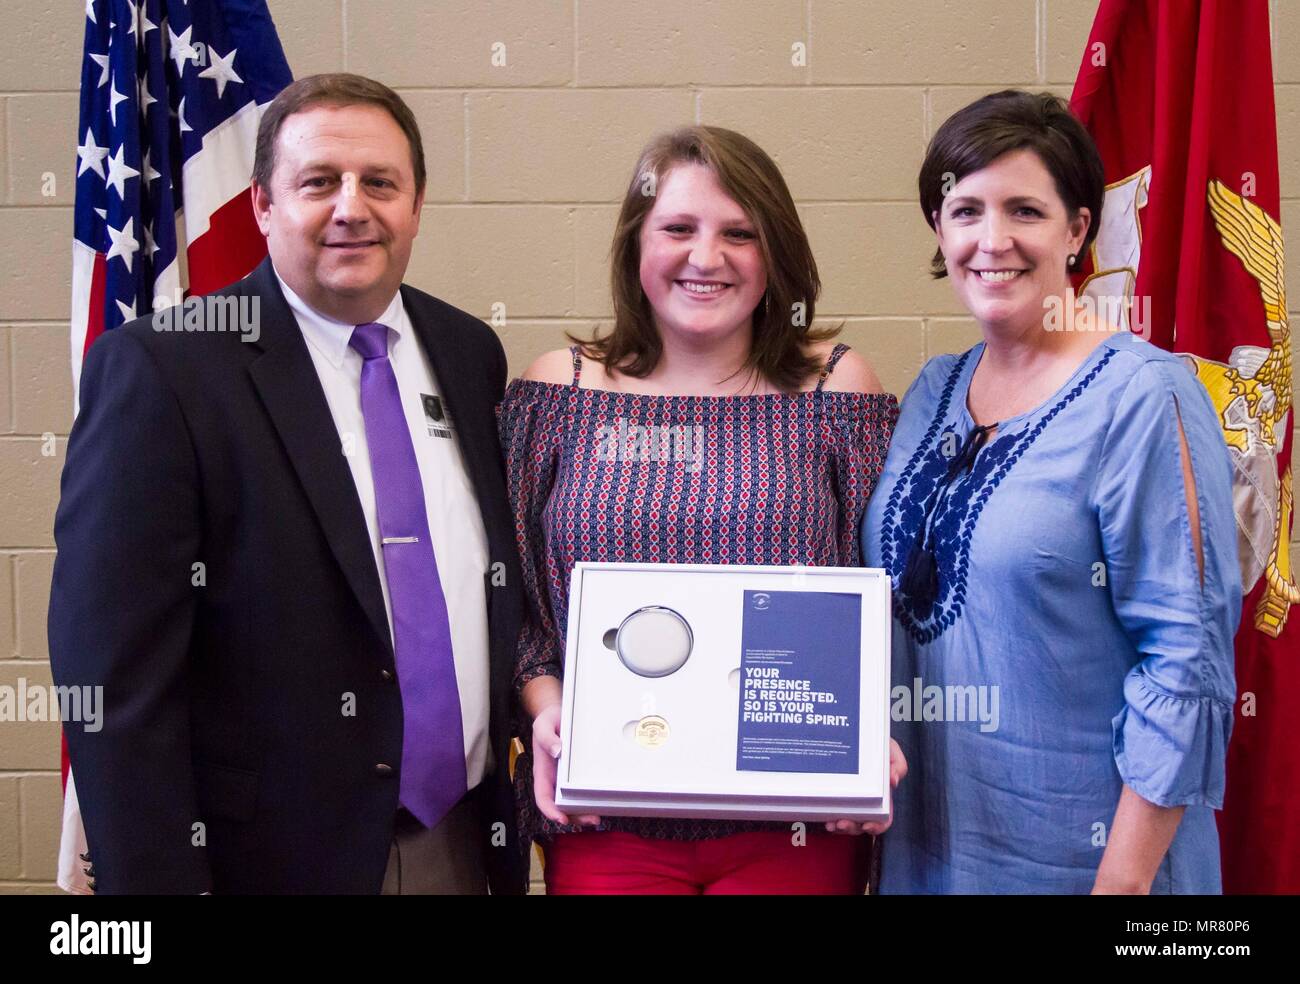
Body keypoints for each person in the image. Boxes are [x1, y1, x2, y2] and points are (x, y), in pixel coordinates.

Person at [48, 73, 527, 895]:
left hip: (462, 844)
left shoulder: (468, 351)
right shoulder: (165, 370)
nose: (352, 207)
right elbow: (113, 682)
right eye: (318, 182)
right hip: (261, 862)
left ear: (416, 205)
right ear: (264, 206)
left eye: (381, 182)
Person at [498, 125, 907, 895]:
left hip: (793, 822)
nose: (706, 257)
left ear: (775, 252)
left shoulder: (838, 393)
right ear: (635, 246)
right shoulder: (560, 390)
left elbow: (882, 589)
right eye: (678, 228)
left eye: (739, 234)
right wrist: (546, 706)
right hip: (607, 815)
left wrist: (867, 728)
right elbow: (514, 595)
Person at [862, 90, 1240, 894]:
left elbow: (1187, 660)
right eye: (965, 210)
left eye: (1025, 210)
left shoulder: (1146, 396)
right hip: (930, 856)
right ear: (940, 229)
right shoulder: (934, 391)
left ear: (1077, 230)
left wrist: (1124, 883)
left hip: (1091, 866)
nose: (991, 240)